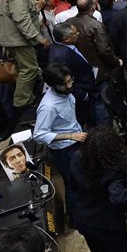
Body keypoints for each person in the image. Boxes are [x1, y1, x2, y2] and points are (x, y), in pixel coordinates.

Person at [32, 63, 88, 211]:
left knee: (81, 180)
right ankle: (75, 217)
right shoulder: (48, 107)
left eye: (70, 80)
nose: (70, 85)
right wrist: (71, 136)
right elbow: (39, 135)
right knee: (72, 184)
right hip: (64, 151)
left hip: (76, 141)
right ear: (53, 85)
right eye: (65, 84)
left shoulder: (66, 92)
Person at [0, 0, 49, 109]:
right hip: (18, 40)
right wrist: (39, 38)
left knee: (22, 69)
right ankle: (22, 102)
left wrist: (36, 7)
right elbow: (21, 19)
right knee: (30, 69)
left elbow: (23, 12)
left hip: (14, 38)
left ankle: (24, 98)